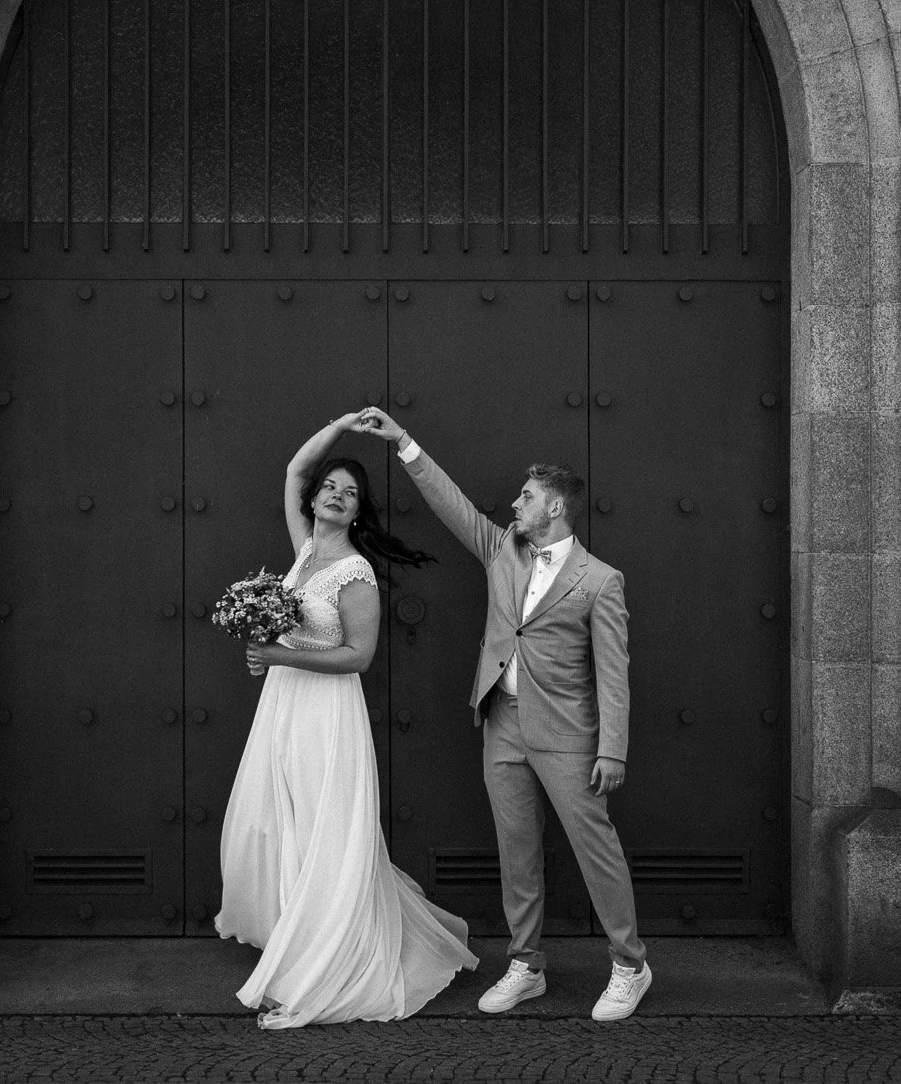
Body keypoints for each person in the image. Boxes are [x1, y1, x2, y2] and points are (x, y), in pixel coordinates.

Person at [355, 406, 651, 1022]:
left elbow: (613, 674)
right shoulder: (503, 551)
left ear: (556, 509)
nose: (514, 504)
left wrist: (613, 748)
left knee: (596, 849)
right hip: (501, 722)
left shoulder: (600, 582)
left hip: (569, 735)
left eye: (527, 496)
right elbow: (453, 505)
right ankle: (526, 964)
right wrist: (404, 442)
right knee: (516, 849)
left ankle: (630, 965)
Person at [216, 411, 478, 1029]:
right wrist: (341, 425)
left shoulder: (355, 572)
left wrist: (279, 652)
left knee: (322, 826)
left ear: (359, 511)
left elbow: (358, 656)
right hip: (283, 702)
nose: (335, 494)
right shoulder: (303, 548)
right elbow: (293, 468)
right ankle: (293, 935)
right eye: (330, 487)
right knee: (279, 818)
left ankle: (323, 960)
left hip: (326, 714)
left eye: (350, 492)